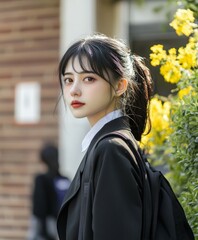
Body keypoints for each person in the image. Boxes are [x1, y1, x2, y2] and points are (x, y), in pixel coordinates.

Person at [56, 34, 194, 240]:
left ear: (120, 86)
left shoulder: (111, 148)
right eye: (68, 80)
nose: (74, 90)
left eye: (89, 79)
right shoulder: (107, 144)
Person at [28, 143, 71, 240]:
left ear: (43, 160)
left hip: (46, 229)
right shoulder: (66, 179)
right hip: (65, 227)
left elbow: (39, 210)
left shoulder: (41, 179)